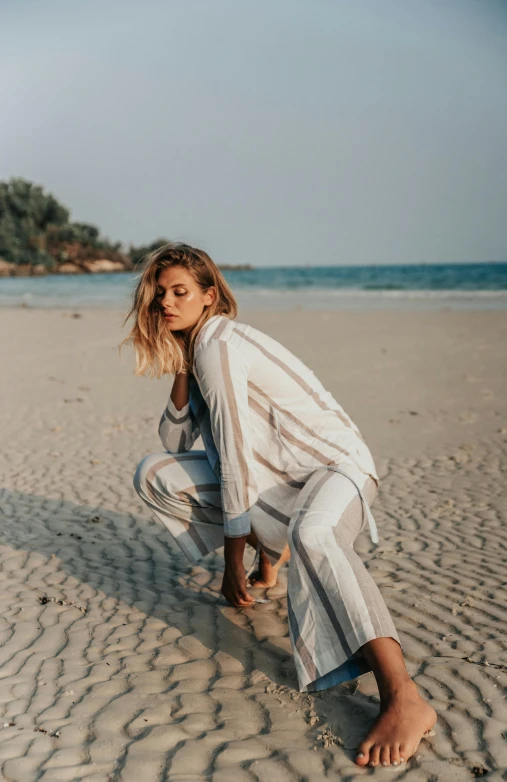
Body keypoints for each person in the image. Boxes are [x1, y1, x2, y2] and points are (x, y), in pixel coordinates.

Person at [121, 242, 436, 768]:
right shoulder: (199, 350)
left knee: (315, 536)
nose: (166, 305)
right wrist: (179, 362)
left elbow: (236, 460)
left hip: (336, 470)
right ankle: (272, 552)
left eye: (180, 292)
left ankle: (402, 694)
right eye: (158, 297)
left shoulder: (218, 346)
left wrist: (229, 565)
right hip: (284, 481)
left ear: (210, 295)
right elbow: (176, 445)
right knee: (156, 474)